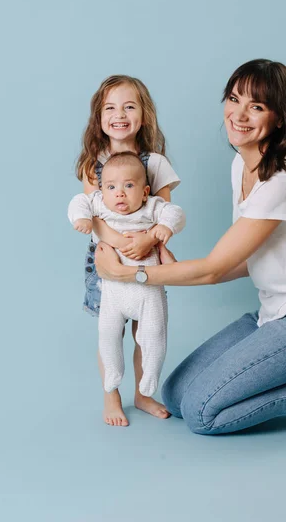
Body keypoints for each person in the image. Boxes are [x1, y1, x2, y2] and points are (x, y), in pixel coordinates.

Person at [94, 59, 286, 437]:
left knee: (203, 415)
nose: (238, 114)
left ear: (281, 117)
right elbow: (242, 260)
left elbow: (216, 268)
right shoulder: (242, 164)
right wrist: (174, 267)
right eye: (234, 99)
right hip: (273, 310)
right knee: (173, 395)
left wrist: (131, 273)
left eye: (256, 106)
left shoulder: (285, 178)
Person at [75, 75, 181, 425]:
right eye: (110, 108)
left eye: (129, 106)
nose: (119, 114)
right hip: (107, 256)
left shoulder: (156, 162)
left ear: (144, 115)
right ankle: (111, 396)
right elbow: (92, 214)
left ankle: (143, 393)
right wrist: (122, 243)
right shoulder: (94, 163)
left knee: (145, 330)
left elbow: (164, 210)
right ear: (99, 117)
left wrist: (149, 241)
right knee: (110, 330)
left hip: (145, 257)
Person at [69, 152, 185, 402]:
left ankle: (151, 374)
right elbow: (79, 201)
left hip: (148, 289)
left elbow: (175, 212)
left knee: (153, 333)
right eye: (111, 187)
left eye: (129, 186)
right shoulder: (100, 203)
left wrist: (164, 228)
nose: (119, 193)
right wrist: (81, 218)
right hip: (113, 289)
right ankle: (112, 373)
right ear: (102, 190)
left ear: (144, 192)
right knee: (108, 332)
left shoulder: (151, 207)